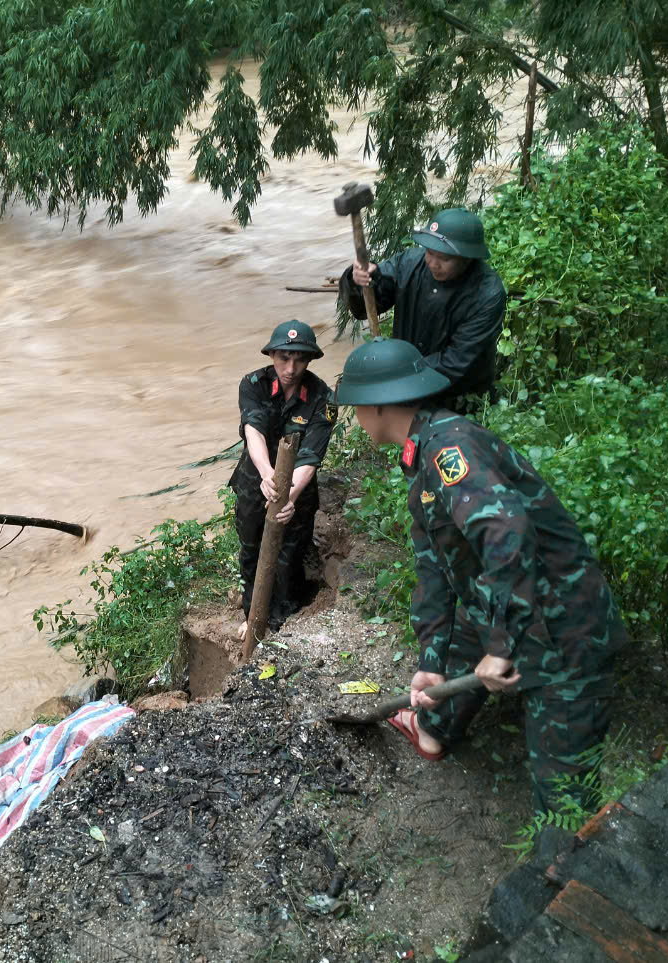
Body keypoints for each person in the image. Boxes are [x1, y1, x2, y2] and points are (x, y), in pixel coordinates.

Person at [334, 338, 626, 813]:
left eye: (355, 406)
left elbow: (507, 533)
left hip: (563, 627)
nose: (354, 416)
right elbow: (434, 566)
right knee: (464, 633)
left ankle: (562, 872)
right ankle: (432, 728)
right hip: (510, 604)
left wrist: (503, 646)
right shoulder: (422, 453)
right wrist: (431, 658)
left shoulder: (450, 450)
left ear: (378, 404)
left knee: (565, 800)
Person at [338, 208, 506, 412]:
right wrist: (363, 280)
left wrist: (396, 376)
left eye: (444, 258)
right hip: (407, 388)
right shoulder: (409, 263)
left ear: (467, 257)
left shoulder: (487, 294)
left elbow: (457, 361)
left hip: (460, 398)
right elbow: (368, 306)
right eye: (429, 252)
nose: (433, 264)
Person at [231, 321, 334, 641]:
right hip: (254, 481)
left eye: (299, 360)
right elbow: (254, 430)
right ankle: (253, 612)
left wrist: (288, 496)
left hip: (298, 489)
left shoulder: (323, 397)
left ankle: (281, 617)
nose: (290, 368)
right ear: (273, 354)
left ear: (310, 360)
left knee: (290, 551)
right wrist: (265, 475)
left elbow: (311, 455)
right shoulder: (253, 384)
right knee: (251, 546)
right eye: (284, 358)